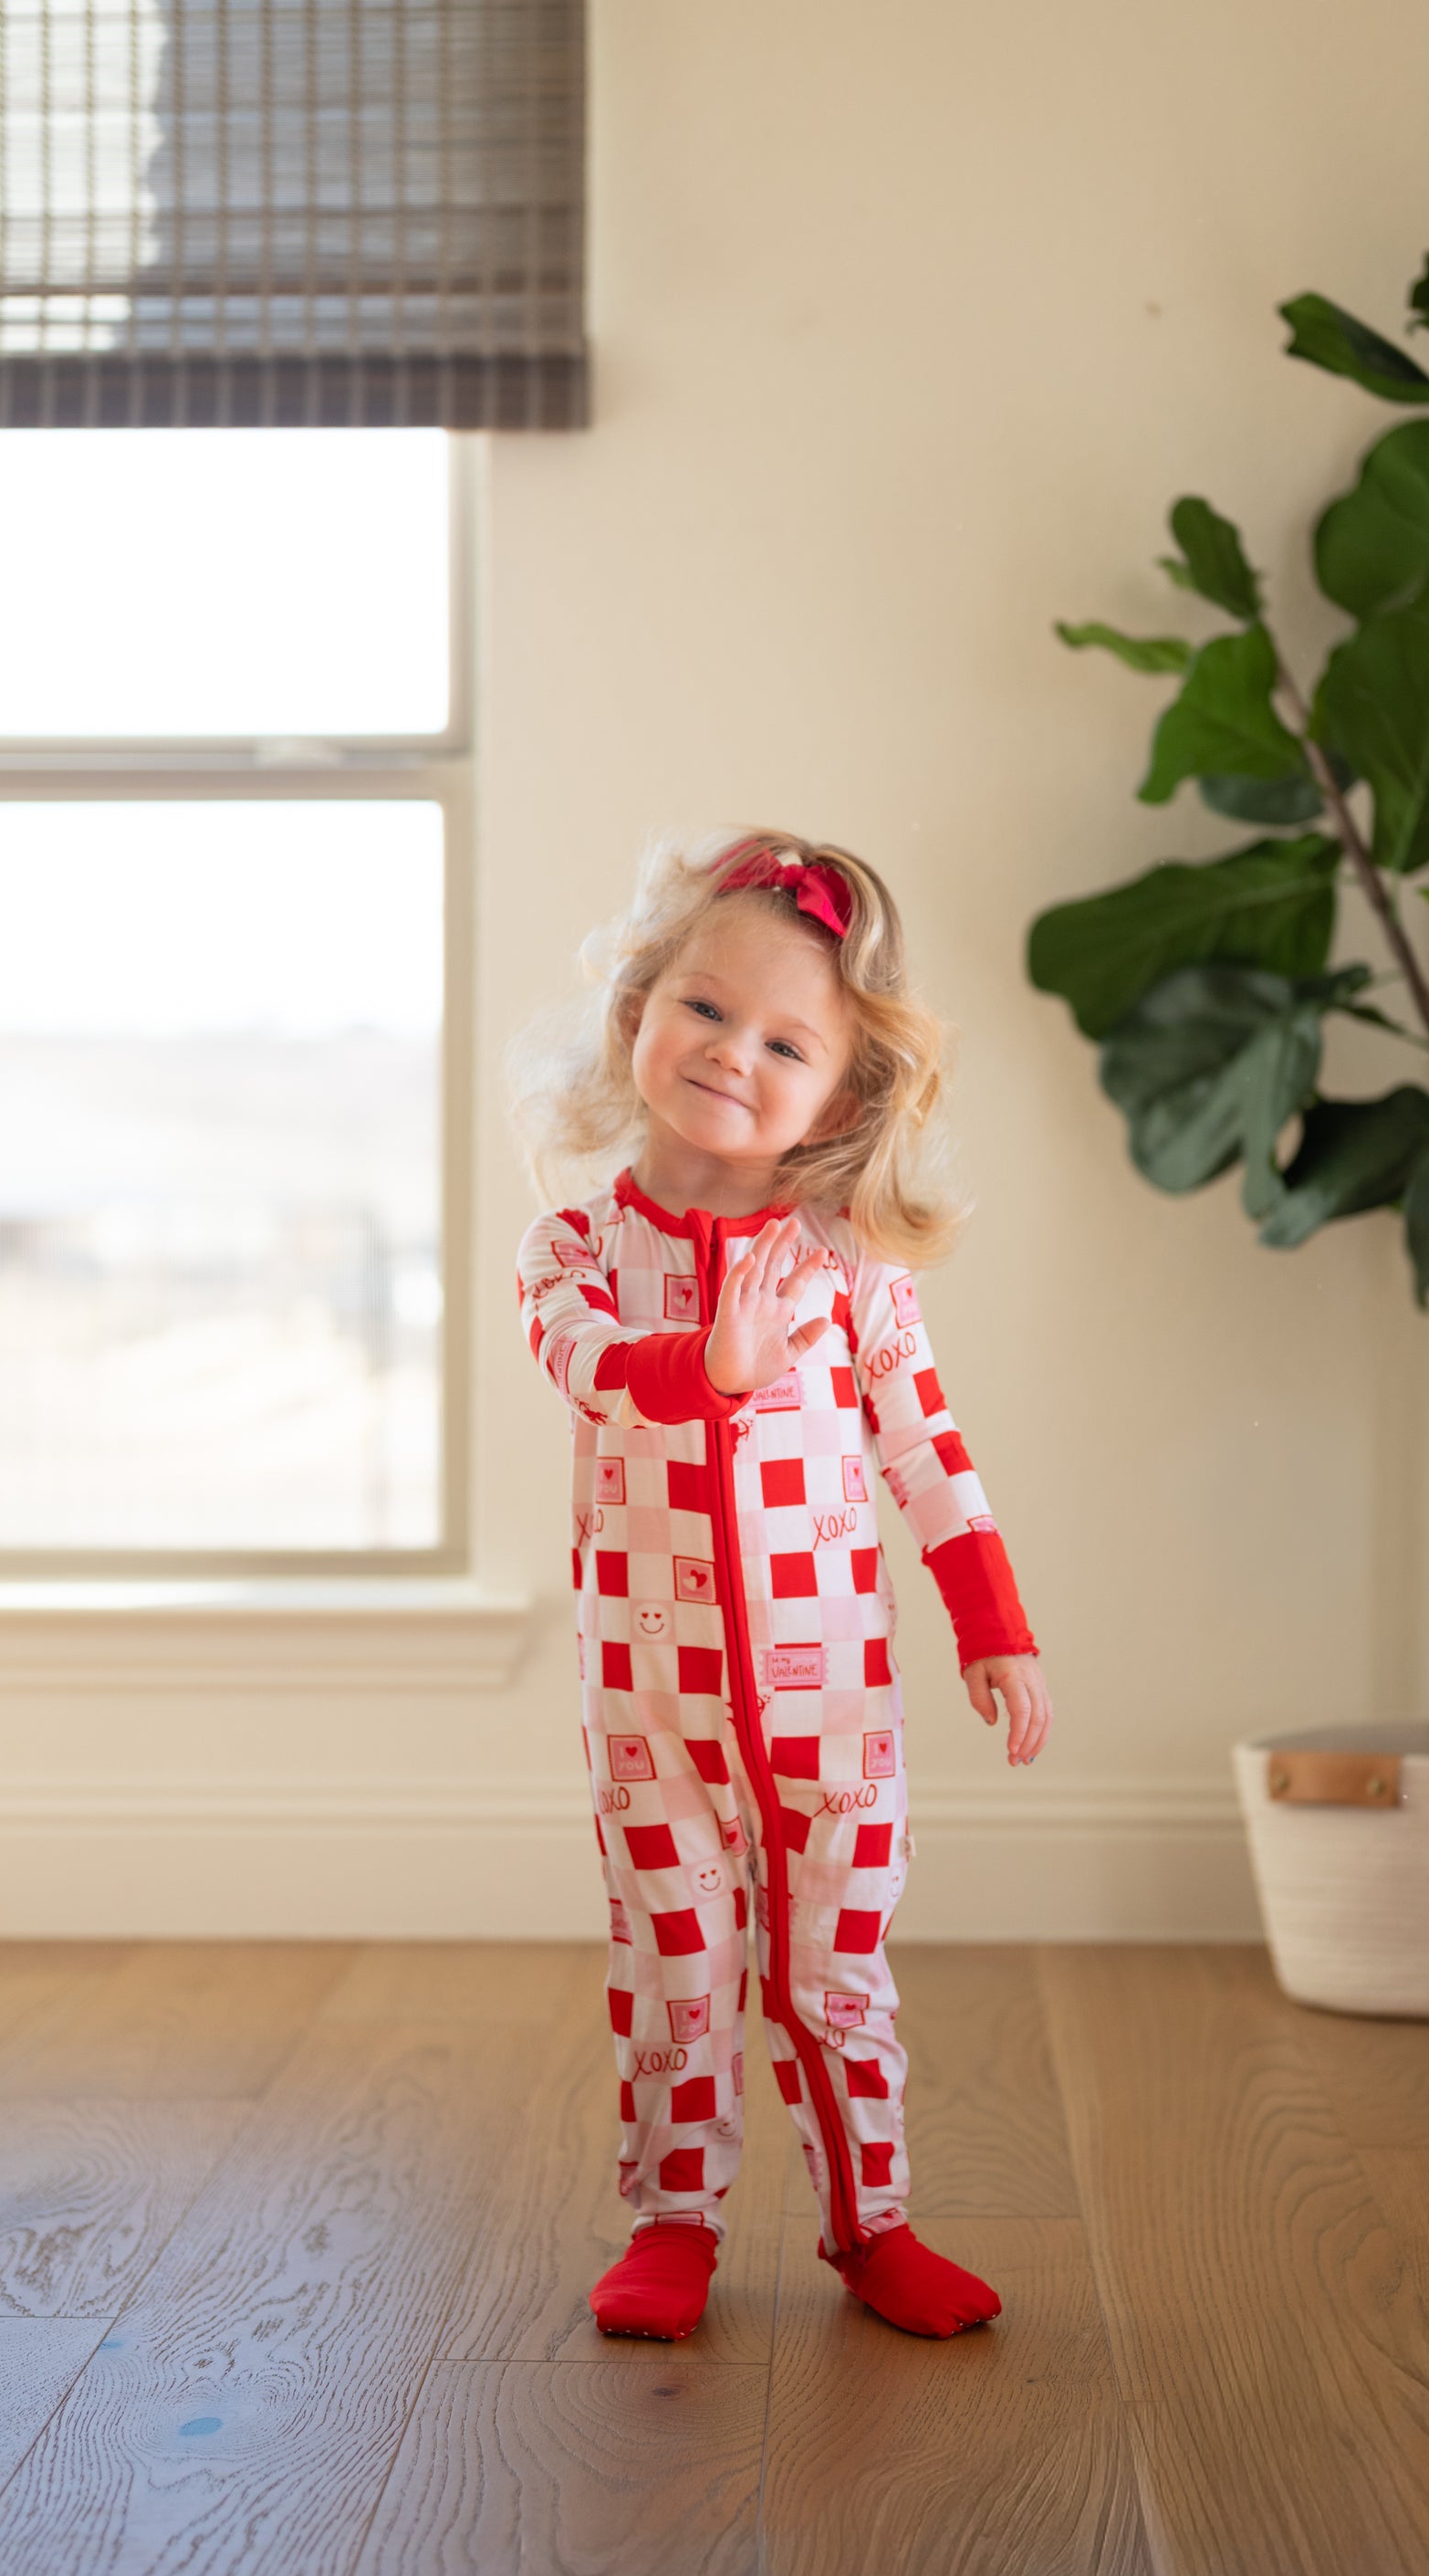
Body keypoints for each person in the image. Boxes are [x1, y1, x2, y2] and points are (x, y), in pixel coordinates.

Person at [510, 827, 1051, 2342]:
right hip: (652, 1705)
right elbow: (588, 1367)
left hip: (835, 1705)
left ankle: (871, 2224)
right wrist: (710, 1365)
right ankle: (672, 2222)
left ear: (841, 1099)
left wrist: (993, 1627)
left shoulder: (851, 1265)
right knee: (675, 1965)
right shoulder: (575, 1250)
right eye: (702, 1007)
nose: (729, 1053)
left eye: (783, 1043)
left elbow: (926, 1450)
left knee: (836, 1971)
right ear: (637, 1010)